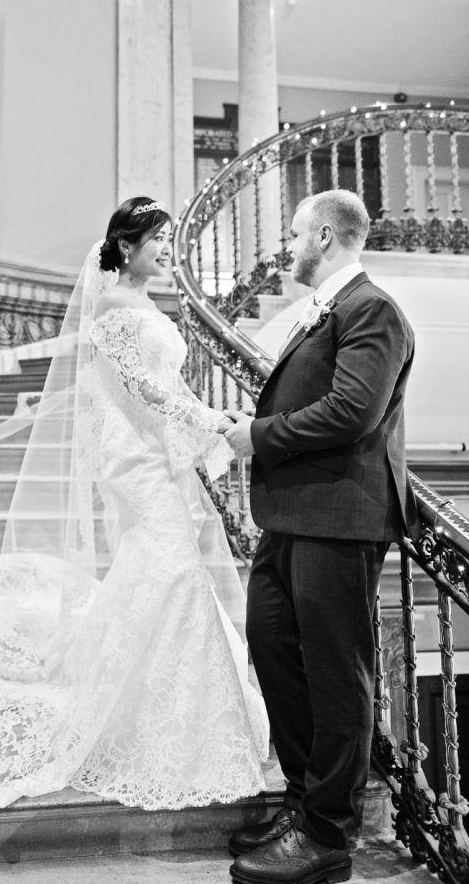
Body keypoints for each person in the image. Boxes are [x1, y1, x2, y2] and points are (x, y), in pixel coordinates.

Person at [0, 196, 269, 810]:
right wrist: (210, 420)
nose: (168, 251)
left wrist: (206, 422)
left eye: (169, 240)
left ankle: (153, 693)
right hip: (134, 459)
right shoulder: (114, 306)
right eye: (158, 240)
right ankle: (146, 710)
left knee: (161, 569)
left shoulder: (146, 304)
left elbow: (169, 383)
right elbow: (143, 388)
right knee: (171, 569)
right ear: (126, 245)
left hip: (155, 453)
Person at [222, 189, 418, 884]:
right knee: (272, 646)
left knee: (338, 675)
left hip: (340, 517)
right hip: (292, 516)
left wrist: (257, 437)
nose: (290, 247)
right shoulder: (323, 312)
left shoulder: (374, 310)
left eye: (297, 234)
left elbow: (351, 413)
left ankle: (330, 834)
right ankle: (305, 805)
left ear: (328, 235)